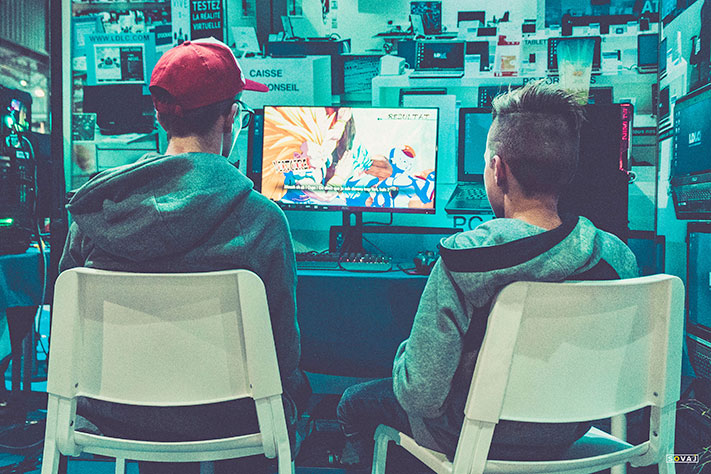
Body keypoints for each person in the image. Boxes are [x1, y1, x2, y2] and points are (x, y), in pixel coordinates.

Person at [336, 81, 640, 468]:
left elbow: (421, 395)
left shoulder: (463, 260)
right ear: (567, 169)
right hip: (570, 431)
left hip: (473, 436)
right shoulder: (617, 257)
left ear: (498, 169)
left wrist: (404, 358)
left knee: (353, 402)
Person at [59, 38, 310, 473]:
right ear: (231, 117)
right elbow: (281, 350)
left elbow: (68, 328)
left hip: (117, 415)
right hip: (231, 419)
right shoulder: (262, 220)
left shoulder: (95, 211)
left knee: (161, 409)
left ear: (160, 117)